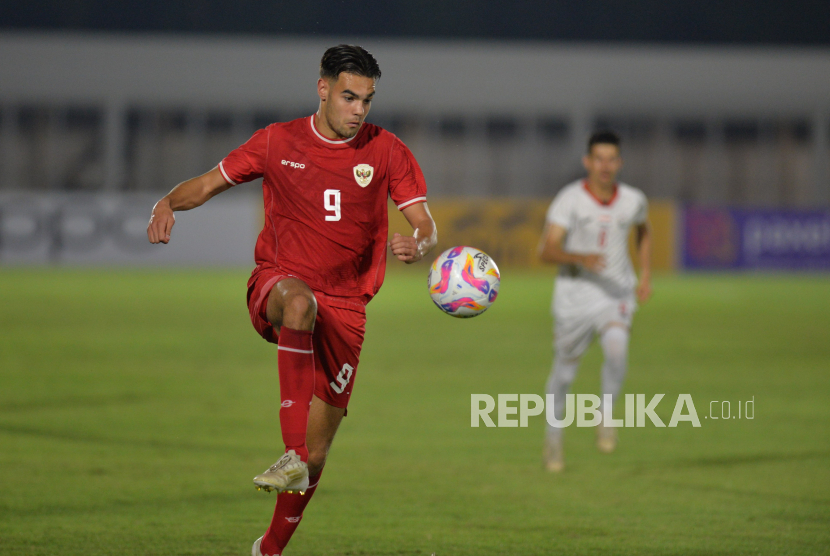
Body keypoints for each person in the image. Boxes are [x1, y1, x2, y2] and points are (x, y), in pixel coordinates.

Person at [147, 45, 437, 556]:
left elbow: (424, 220)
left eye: (367, 100)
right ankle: (289, 451)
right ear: (322, 89)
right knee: (300, 305)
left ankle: (269, 548)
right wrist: (167, 201)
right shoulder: (277, 141)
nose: (358, 110)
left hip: (348, 306)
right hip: (279, 282)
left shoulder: (386, 149)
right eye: (349, 97)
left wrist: (420, 242)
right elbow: (211, 183)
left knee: (320, 455)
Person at [537, 130, 651, 472]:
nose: (605, 165)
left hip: (616, 292)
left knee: (617, 349)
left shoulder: (633, 199)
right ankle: (553, 438)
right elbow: (546, 250)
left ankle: (606, 415)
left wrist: (644, 275)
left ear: (619, 162)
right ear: (588, 162)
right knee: (565, 374)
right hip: (574, 298)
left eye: (611, 159)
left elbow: (643, 230)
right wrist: (580, 257)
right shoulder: (569, 199)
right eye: (598, 158)